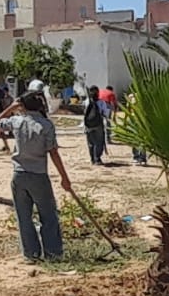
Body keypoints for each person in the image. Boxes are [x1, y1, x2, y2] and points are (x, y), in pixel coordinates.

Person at [7, 88, 74, 261]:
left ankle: (31, 254)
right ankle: (53, 253)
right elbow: (53, 153)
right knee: (48, 215)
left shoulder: (17, 121)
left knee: (24, 217)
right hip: (38, 175)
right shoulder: (45, 125)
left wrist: (11, 107)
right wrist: (64, 178)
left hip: (19, 175)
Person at [82, 85, 108, 164]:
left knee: (90, 142)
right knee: (99, 141)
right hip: (98, 124)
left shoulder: (86, 102)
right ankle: (97, 158)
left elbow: (84, 113)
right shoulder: (101, 102)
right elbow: (105, 113)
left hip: (88, 124)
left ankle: (92, 158)